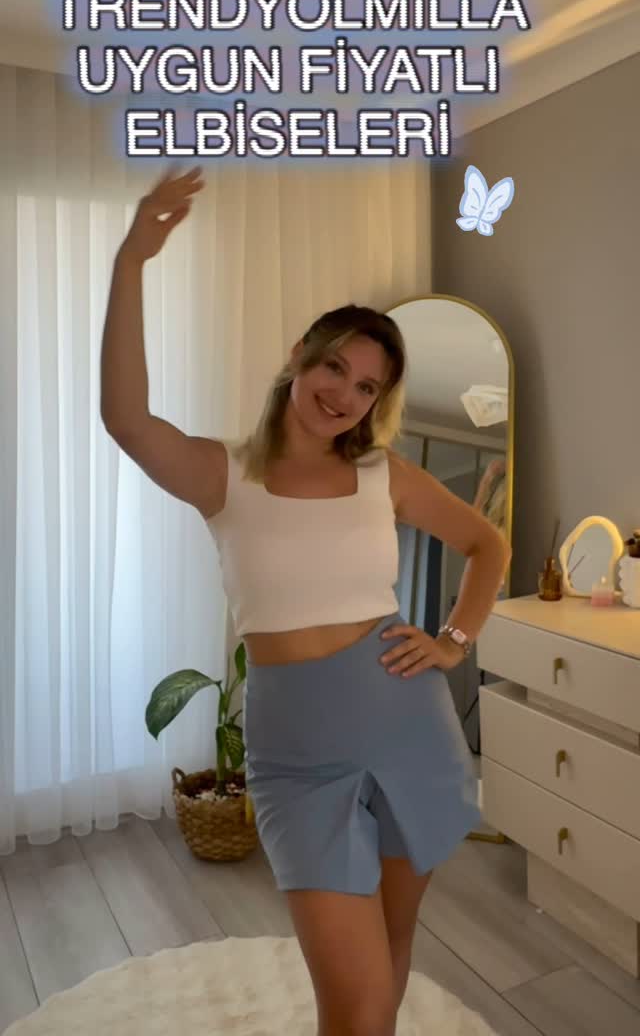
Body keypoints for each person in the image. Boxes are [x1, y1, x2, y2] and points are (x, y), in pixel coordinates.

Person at [101, 167, 511, 1036]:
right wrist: (132, 259)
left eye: (367, 387)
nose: (344, 394)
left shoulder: (384, 475)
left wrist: (454, 638)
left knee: (390, 952)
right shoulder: (222, 474)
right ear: (298, 356)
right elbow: (128, 421)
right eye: (334, 366)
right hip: (297, 755)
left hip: (409, 725)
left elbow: (489, 544)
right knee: (350, 996)